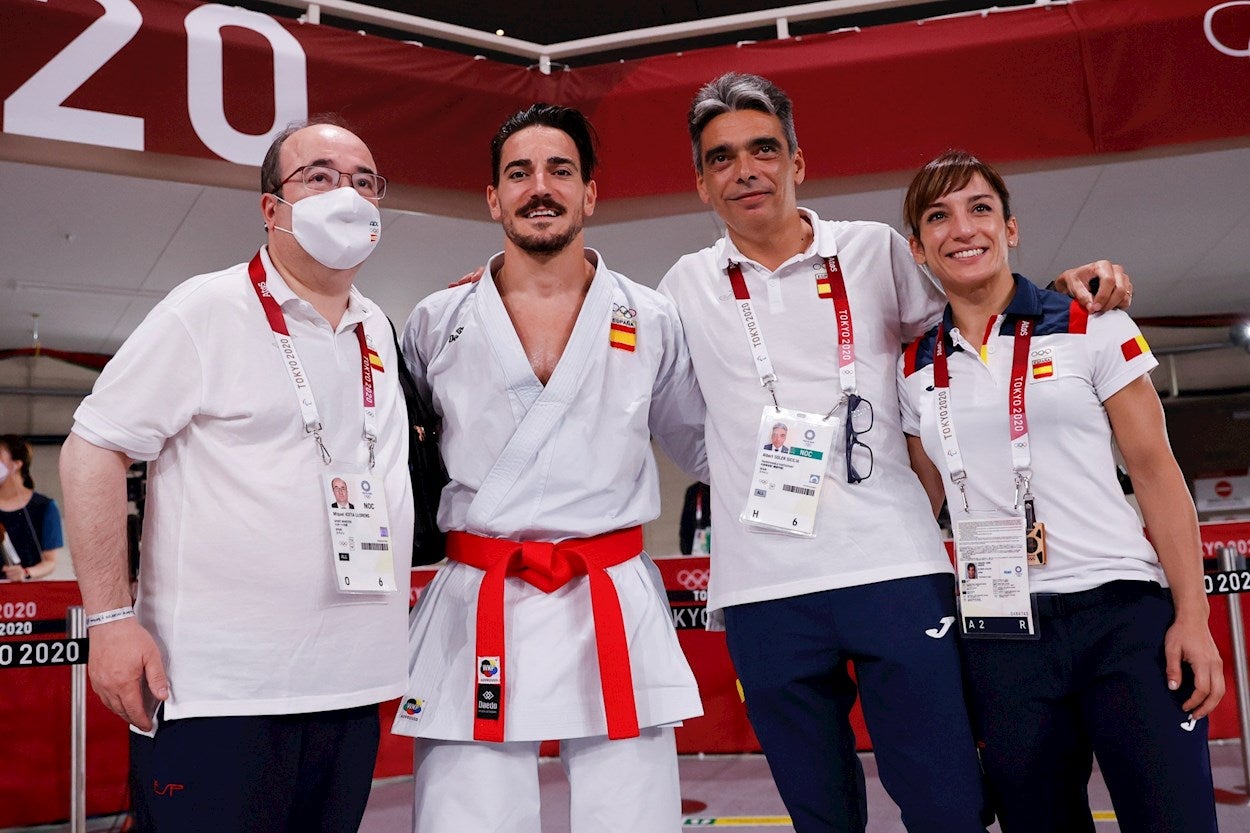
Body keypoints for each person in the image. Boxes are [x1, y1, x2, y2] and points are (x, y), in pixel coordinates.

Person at [657, 72, 1133, 833]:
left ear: (797, 162)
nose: (745, 170)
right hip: (762, 587)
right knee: (820, 813)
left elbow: (974, 313)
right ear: (701, 182)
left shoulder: (874, 250)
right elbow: (681, 425)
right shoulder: (683, 286)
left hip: (897, 568)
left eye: (763, 149)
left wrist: (1059, 292)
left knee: (948, 802)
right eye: (721, 158)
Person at [59, 118, 413, 833]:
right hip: (221, 693)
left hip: (351, 686)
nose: (346, 194)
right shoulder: (206, 309)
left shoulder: (377, 326)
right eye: (318, 176)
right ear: (271, 207)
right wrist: (108, 619)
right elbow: (92, 447)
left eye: (363, 180)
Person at [390, 104, 707, 833]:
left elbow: (701, 448)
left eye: (560, 170)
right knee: (466, 819)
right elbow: (399, 456)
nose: (541, 187)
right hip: (481, 592)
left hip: (610, 592)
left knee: (633, 818)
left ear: (590, 193)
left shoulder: (652, 317)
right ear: (493, 198)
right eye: (519, 173)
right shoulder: (436, 321)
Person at [898, 149, 1222, 833]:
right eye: (939, 215)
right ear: (917, 245)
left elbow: (1158, 472)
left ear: (1010, 228)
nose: (963, 228)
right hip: (999, 632)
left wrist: (1192, 616)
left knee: (1177, 820)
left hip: (1123, 615)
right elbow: (919, 509)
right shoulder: (913, 367)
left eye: (980, 208)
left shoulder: (1090, 323)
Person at [0, 435, 64, 581]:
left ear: (17, 464)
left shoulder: (45, 506)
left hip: (25, 596)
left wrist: (26, 572)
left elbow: (50, 561)